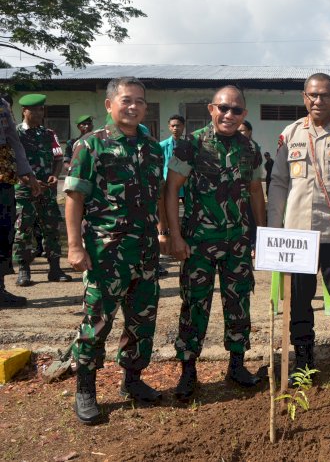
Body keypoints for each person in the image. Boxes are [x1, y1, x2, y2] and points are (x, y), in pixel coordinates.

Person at [64, 77, 167, 424]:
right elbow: (75, 198)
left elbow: (159, 196)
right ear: (110, 105)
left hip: (145, 251)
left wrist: (163, 232)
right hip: (106, 252)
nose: (134, 106)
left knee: (142, 321)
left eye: (140, 101)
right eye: (126, 100)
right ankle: (85, 389)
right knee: (97, 322)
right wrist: (75, 246)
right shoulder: (90, 146)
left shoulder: (153, 148)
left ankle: (133, 381)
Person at [268, 73, 330, 396]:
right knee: (298, 305)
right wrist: (273, 229)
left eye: (325, 95)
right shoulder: (290, 134)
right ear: (304, 97)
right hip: (297, 238)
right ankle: (304, 363)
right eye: (312, 95)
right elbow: (279, 182)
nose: (318, 101)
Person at [166, 86, 266, 401]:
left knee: (239, 304)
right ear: (212, 109)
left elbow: (254, 192)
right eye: (223, 108)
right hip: (198, 243)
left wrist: (262, 234)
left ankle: (236, 365)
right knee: (195, 305)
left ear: (244, 115)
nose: (229, 115)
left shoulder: (250, 148)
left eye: (236, 110)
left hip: (237, 242)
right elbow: (171, 191)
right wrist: (174, 236)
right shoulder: (191, 145)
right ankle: (188, 371)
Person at [13, 93, 71, 286]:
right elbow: (10, 162)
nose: (40, 113)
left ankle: (55, 268)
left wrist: (56, 175)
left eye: (42, 109)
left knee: (52, 228)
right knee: (24, 229)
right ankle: (24, 269)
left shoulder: (49, 134)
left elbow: (58, 158)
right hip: (24, 190)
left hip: (47, 190)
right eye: (36, 109)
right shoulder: (15, 134)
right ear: (24, 111)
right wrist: (28, 180)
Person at [0, 93, 41, 307]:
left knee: (4, 231)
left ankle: (0, 289)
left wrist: (27, 172)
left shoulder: (2, 104)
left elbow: (14, 141)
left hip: (3, 176)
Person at [157, 115, 186, 277]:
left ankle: (183, 239)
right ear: (169, 127)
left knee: (188, 212)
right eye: (173, 125)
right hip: (168, 186)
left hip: (185, 186)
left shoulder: (188, 146)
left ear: (183, 127)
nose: (176, 128)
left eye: (179, 125)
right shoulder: (162, 146)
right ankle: (168, 239)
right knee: (167, 214)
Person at [237, 120, 264, 250]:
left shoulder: (253, 148)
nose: (239, 133)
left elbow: (256, 186)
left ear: (249, 132)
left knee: (251, 221)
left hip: (247, 196)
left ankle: (254, 244)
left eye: (242, 130)